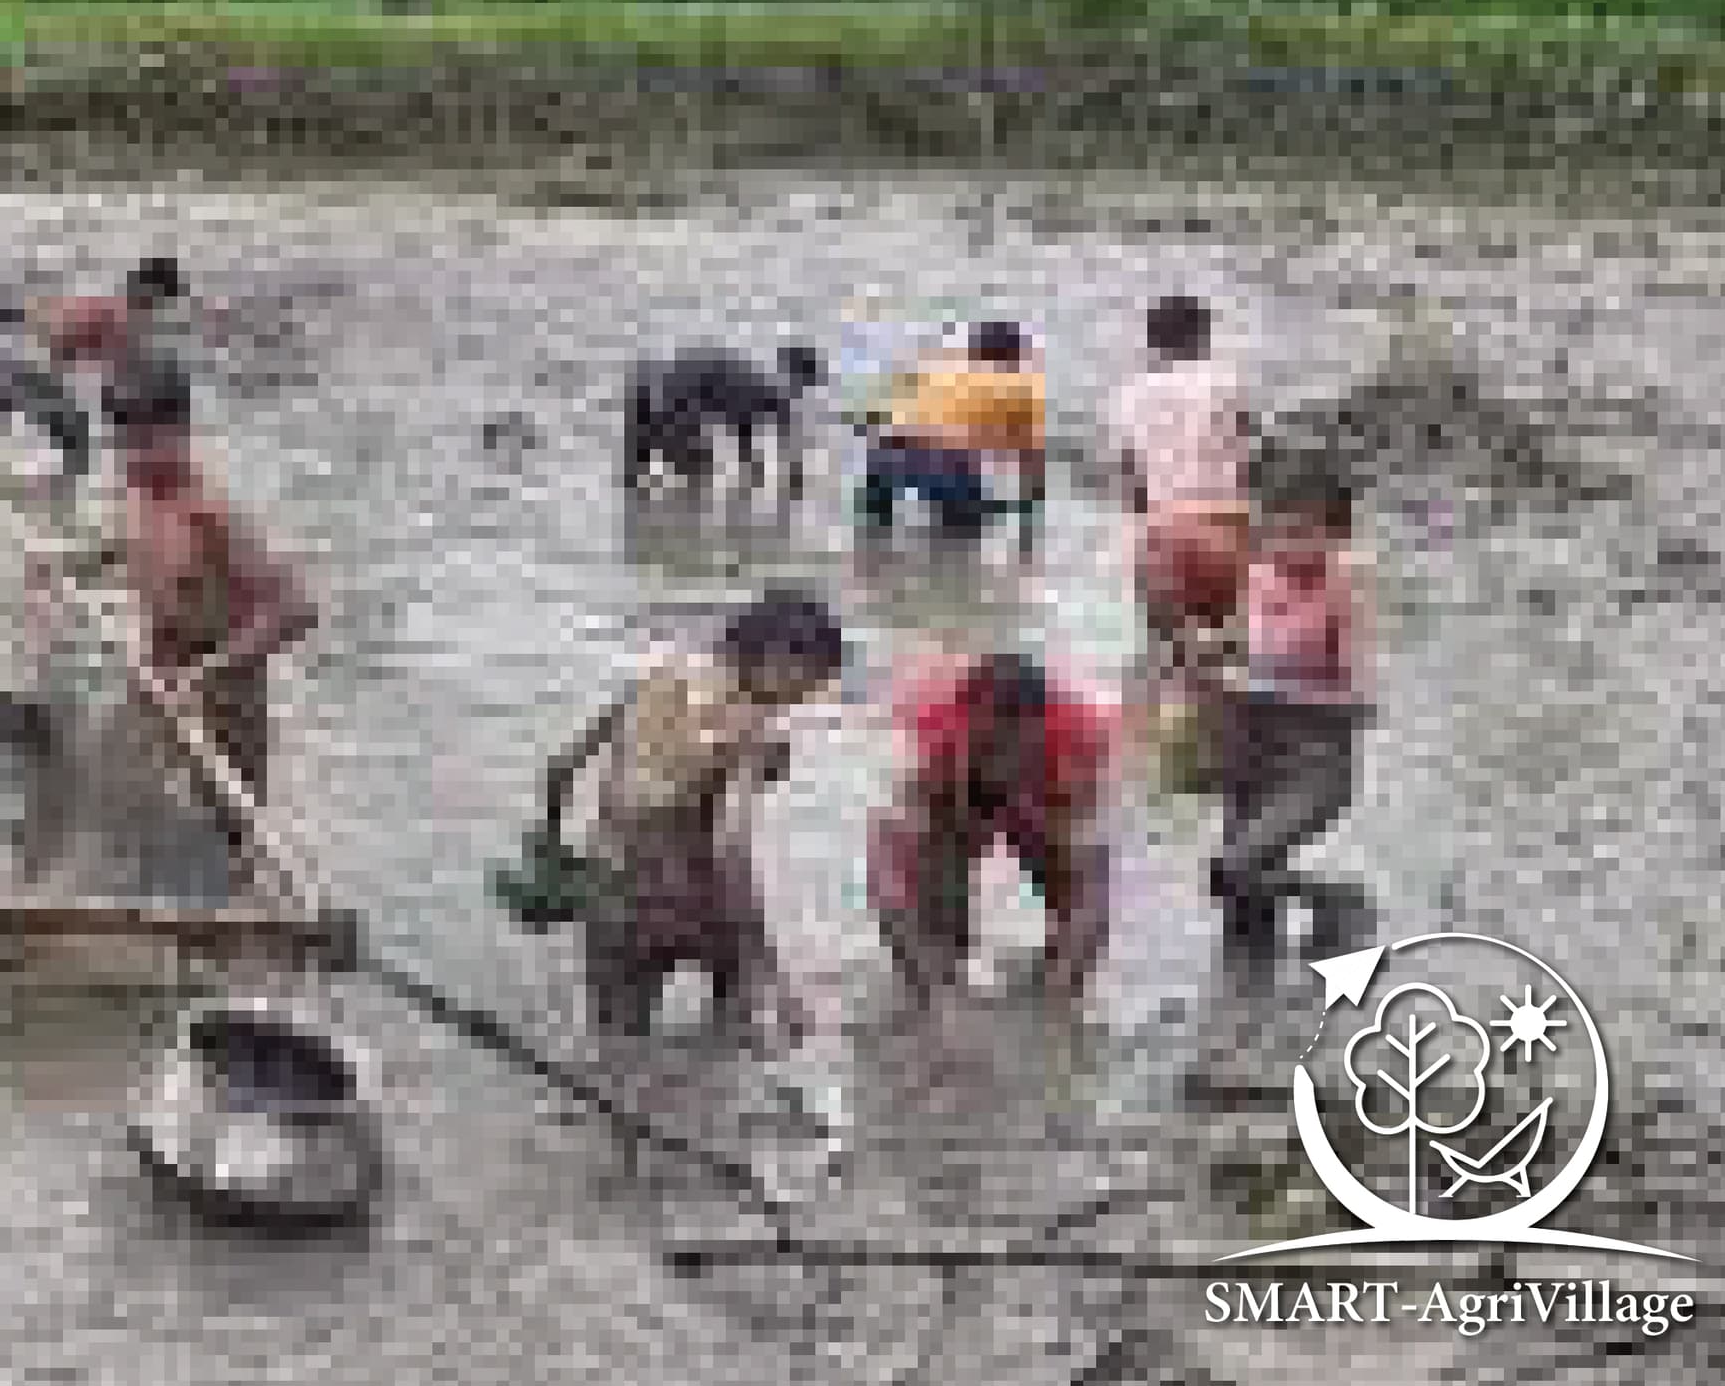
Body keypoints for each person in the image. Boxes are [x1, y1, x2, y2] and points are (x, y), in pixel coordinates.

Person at [538, 587, 844, 1046]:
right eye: (811, 681)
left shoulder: (659, 677)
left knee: (618, 1055)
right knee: (737, 1029)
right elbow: (730, 850)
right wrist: (773, 974)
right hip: (689, 897)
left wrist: (551, 853)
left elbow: (561, 770)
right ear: (780, 659)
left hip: (611, 892)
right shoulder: (749, 725)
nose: (807, 698)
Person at [84, 359, 316, 800]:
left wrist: (205, 674)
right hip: (160, 686)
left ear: (180, 432)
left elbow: (296, 609)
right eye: (121, 441)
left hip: (224, 707)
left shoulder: (211, 514)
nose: (131, 456)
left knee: (229, 832)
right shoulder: (134, 491)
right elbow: (130, 549)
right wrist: (67, 563)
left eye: (145, 442)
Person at [867, 650, 1116, 1016]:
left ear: (1040, 728)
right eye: (994, 744)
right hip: (952, 786)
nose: (1004, 760)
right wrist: (938, 1002)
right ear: (967, 725)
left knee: (1069, 901)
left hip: (1046, 789)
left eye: (1017, 744)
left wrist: (1056, 1009)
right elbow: (885, 884)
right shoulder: (920, 742)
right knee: (937, 924)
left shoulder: (1081, 741)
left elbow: (1094, 892)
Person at [1208, 456, 1378, 974]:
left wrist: (1285, 695)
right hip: (1250, 752)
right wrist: (1204, 660)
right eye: (1279, 531)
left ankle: (1341, 899)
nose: (1289, 547)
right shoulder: (1258, 576)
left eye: (1306, 534)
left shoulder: (1344, 588)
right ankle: (1251, 1015)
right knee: (1241, 912)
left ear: (1337, 537)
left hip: (1315, 763)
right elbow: (1235, 647)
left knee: (1234, 866)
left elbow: (1363, 698)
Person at [1115, 294, 1258, 700]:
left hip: (1161, 536)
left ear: (1152, 343)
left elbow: (1132, 480)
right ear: (1204, 337)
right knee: (1231, 658)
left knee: (1165, 660)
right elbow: (1248, 453)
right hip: (1224, 530)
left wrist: (1142, 535)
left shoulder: (1130, 394)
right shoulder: (1228, 383)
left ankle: (1165, 733)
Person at [0, 254, 190, 488]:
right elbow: (52, 348)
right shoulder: (101, 313)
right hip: (52, 389)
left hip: (76, 397)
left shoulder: (131, 328)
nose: (150, 309)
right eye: (151, 300)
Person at [859, 322, 1048, 543]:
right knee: (958, 545)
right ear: (1017, 354)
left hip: (899, 465)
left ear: (975, 350)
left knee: (880, 479)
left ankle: (873, 544)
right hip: (962, 475)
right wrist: (1030, 506)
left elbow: (891, 427)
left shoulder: (941, 375)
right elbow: (1033, 452)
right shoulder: (1026, 388)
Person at [622, 342, 826, 498]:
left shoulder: (760, 382)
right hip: (674, 405)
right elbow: (748, 432)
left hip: (669, 400)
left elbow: (747, 432)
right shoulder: (768, 390)